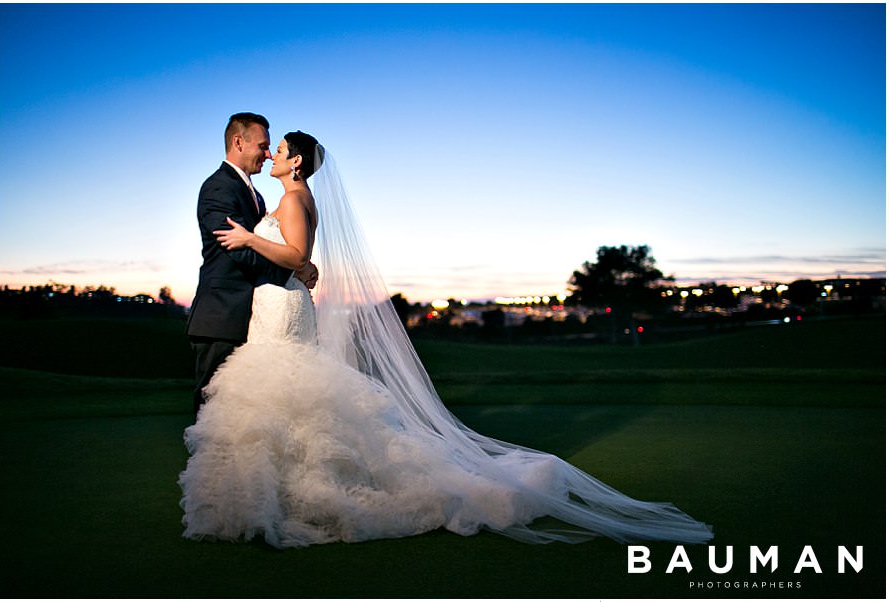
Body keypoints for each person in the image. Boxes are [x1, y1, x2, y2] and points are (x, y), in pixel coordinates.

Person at [178, 131, 713, 548]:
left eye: (281, 150)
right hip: (281, 305)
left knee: (284, 392)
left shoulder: (293, 200)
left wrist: (253, 239)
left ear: (295, 162)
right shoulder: (294, 197)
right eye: (267, 148)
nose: (272, 154)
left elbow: (294, 255)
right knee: (284, 396)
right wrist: (297, 262)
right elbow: (300, 258)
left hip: (284, 308)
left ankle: (283, 497)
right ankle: (272, 494)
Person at [185, 113, 316, 416]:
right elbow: (236, 249)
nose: (268, 154)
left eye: (274, 148)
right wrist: (294, 268)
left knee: (248, 410)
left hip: (256, 317)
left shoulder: (256, 195)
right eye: (263, 145)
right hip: (222, 315)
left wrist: (297, 261)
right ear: (238, 142)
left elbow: (278, 246)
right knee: (213, 411)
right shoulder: (218, 187)